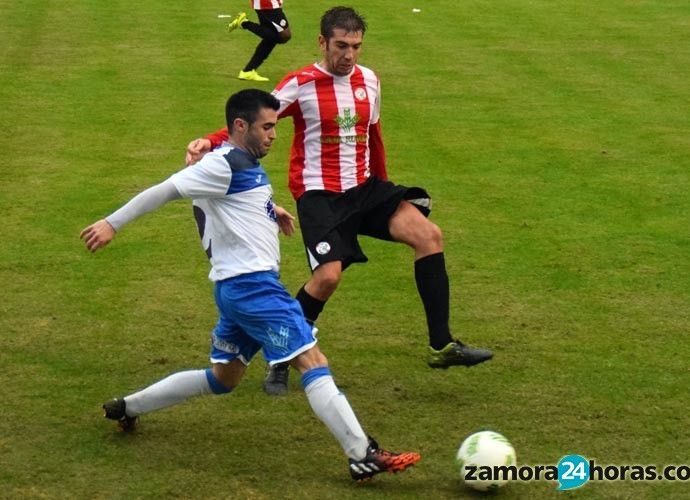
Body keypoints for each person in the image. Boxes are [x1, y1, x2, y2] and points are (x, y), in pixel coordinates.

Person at [80, 89, 420, 482]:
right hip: (254, 288)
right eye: (268, 127)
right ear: (240, 126)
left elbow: (228, 201)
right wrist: (111, 223)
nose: (275, 134)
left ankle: (128, 407)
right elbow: (164, 191)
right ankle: (362, 454)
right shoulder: (220, 166)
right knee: (312, 360)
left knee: (223, 379)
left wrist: (268, 210)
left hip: (235, 289)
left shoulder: (239, 163)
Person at [186, 6, 493, 397]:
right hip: (320, 196)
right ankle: (280, 359)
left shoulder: (369, 80)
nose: (349, 55)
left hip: (365, 190)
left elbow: (373, 135)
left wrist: (384, 184)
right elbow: (258, 118)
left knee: (428, 235)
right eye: (341, 46)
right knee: (327, 277)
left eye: (356, 47)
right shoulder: (302, 84)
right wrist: (211, 141)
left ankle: (441, 345)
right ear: (322, 42)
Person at [226, 0, 292, 82]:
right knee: (284, 36)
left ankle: (248, 71)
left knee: (271, 37)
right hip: (268, 3)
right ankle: (244, 23)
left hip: (267, 4)